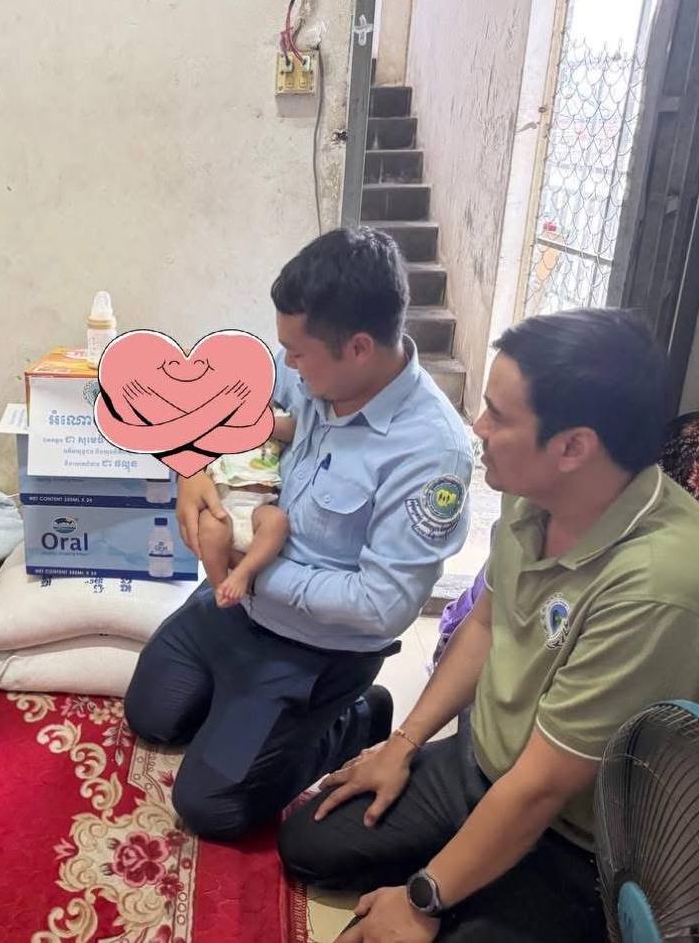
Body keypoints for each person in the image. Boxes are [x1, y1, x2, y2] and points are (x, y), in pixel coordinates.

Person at [280, 309, 699, 942]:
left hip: (581, 835)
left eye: (497, 415)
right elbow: (487, 624)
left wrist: (423, 900)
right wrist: (403, 744)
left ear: (573, 448)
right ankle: (472, 867)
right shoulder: (532, 491)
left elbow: (543, 787)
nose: (478, 428)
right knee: (310, 845)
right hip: (486, 760)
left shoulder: (658, 592)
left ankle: (484, 885)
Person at [125, 227, 474, 841]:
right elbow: (208, 396)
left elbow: (383, 606)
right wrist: (192, 467)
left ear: (358, 348)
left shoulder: (430, 453)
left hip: (316, 647)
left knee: (210, 808)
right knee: (153, 715)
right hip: (235, 604)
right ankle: (244, 710)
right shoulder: (317, 371)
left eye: (298, 353)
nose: (286, 362)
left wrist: (248, 568)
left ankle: (355, 717)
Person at [198, 409, 296, 607]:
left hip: (259, 504)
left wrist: (260, 422)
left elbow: (292, 430)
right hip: (223, 503)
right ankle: (219, 585)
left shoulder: (274, 414)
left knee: (277, 521)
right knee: (208, 525)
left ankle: (243, 573)